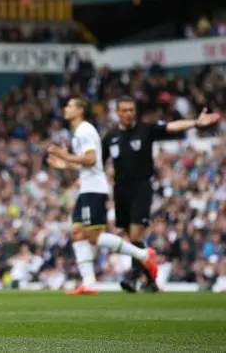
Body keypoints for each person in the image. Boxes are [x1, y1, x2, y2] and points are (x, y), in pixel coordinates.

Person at [101, 95, 221, 293]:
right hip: (120, 189)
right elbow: (98, 162)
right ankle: (150, 279)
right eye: (124, 110)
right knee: (131, 237)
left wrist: (195, 123)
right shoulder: (110, 137)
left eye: (131, 110)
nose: (129, 114)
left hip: (141, 186)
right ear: (118, 113)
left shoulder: (145, 130)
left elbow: (171, 127)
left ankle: (133, 276)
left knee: (136, 232)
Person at [47, 98, 159, 294]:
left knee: (92, 236)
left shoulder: (84, 130)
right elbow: (89, 163)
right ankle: (88, 283)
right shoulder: (79, 132)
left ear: (80, 110)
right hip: (86, 189)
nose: (66, 109)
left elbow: (90, 159)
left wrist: (65, 156)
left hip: (94, 189)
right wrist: (67, 165)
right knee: (77, 233)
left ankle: (142, 254)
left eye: (70, 106)